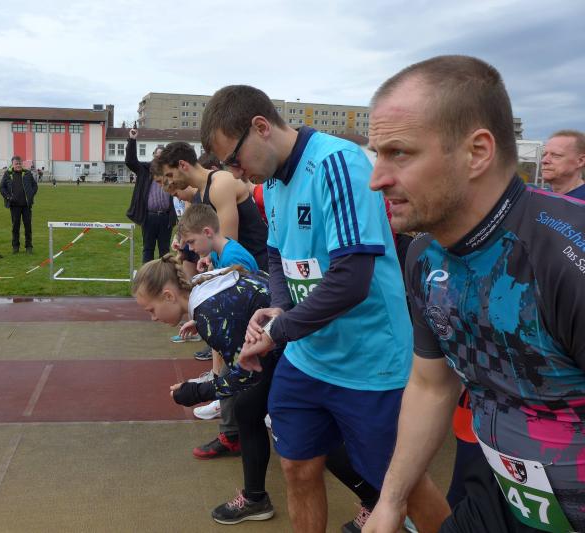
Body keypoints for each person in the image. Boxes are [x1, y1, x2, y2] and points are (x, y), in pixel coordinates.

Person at [200, 84, 448, 533]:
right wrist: (280, 307)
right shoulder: (271, 182)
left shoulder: (337, 162)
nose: (235, 173)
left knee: (402, 488)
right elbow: (277, 254)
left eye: (234, 159)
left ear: (261, 127)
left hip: (368, 362)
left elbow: (351, 279)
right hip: (307, 358)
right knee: (297, 467)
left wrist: (278, 331)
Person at [363, 55, 585, 533]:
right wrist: (391, 500)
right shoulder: (423, 254)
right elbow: (432, 384)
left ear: (477, 152)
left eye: (399, 153)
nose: (376, 178)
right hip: (500, 493)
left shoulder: (566, 257)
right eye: (377, 153)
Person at [133, 255, 280, 524]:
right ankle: (255, 498)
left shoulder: (209, 314)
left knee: (304, 436)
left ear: (168, 296)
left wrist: (195, 392)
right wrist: (204, 323)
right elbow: (241, 293)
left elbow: (245, 377)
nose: (153, 318)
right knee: (247, 410)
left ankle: (368, 499)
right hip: (287, 335)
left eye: (151, 310)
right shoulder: (201, 287)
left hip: (291, 346)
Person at [153, 142, 268, 272]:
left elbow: (227, 245)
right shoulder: (200, 192)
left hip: (255, 269)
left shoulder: (220, 185)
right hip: (238, 268)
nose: (170, 182)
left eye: (170, 175)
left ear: (183, 165)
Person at [124, 129, 176, 263]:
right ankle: (148, 275)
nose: (159, 158)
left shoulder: (171, 172)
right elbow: (130, 161)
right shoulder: (144, 170)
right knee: (148, 249)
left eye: (162, 157)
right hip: (149, 217)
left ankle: (165, 274)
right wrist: (132, 140)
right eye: (157, 156)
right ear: (153, 156)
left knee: (165, 251)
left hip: (166, 217)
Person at [0, 156, 38, 254]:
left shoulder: (27, 173)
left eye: (20, 163)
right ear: (12, 164)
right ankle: (15, 246)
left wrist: (31, 195)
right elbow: (1, 187)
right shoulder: (8, 174)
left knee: (28, 226)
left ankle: (29, 246)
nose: (18, 165)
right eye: (16, 163)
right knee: (15, 227)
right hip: (14, 206)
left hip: (26, 206)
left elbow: (35, 186)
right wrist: (8, 197)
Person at [541, 129, 585, 200]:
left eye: (556, 155)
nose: (544, 160)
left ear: (580, 161)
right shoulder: (537, 198)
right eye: (544, 155)